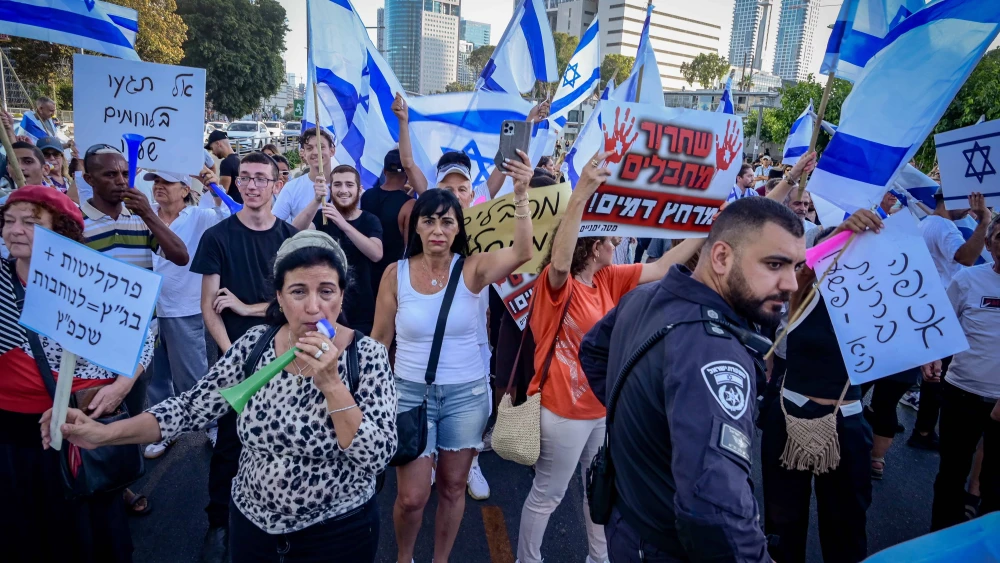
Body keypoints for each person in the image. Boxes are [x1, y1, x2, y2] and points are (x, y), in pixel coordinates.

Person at [42, 231, 399, 563]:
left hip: (336, 532)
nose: (312, 307)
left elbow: (378, 455)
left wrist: (333, 385)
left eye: (326, 291)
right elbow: (188, 409)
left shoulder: (364, 356)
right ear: (278, 296)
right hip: (252, 527)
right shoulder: (254, 345)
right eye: (298, 291)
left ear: (341, 295)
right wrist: (102, 434)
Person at [577, 196, 806, 563]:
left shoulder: (645, 296)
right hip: (660, 544)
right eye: (774, 264)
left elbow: (593, 351)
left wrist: (646, 423)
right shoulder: (713, 351)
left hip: (628, 525)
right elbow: (715, 512)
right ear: (720, 257)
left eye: (796, 266)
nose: (792, 283)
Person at [514, 150, 702, 563]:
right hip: (562, 411)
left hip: (600, 408)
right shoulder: (556, 283)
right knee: (548, 494)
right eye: (612, 241)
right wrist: (580, 192)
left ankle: (599, 560)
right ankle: (528, 559)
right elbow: (561, 258)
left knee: (600, 487)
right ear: (595, 247)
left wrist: (708, 226)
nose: (618, 245)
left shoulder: (607, 278)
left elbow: (665, 264)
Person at [372, 154, 534, 563]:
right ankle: (404, 557)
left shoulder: (474, 269)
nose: (438, 229)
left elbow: (522, 251)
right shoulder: (395, 274)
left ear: (459, 227)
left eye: (448, 221)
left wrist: (520, 193)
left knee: (452, 487)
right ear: (416, 225)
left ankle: (440, 560)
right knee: (411, 497)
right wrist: (371, 396)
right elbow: (378, 339)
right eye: (429, 220)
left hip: (466, 395)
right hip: (409, 394)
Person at [0, 186, 154, 561]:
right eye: (8, 221)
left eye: (31, 223)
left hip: (78, 422)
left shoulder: (94, 276)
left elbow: (142, 340)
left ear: (61, 231)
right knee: (27, 522)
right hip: (14, 431)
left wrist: (121, 385)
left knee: (89, 524)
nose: (15, 230)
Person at [759, 213, 889, 563]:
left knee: (846, 525)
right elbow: (803, 271)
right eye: (836, 255)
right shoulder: (801, 295)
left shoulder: (876, 307)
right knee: (782, 523)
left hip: (846, 425)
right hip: (789, 417)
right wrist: (841, 234)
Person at [190, 151, 298, 561]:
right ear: (235, 184)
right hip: (235, 361)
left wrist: (248, 307)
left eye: (260, 178)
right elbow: (209, 306)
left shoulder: (290, 238)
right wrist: (236, 355)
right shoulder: (217, 237)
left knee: (283, 439)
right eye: (245, 178)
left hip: (285, 358)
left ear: (276, 185)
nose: (252, 185)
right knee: (230, 445)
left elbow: (291, 302)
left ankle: (279, 520)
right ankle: (219, 524)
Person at [143, 169, 230, 459]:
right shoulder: (143, 216)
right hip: (148, 310)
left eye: (166, 182)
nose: (159, 187)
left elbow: (232, 216)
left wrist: (214, 187)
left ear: (184, 189)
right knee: (155, 378)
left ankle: (212, 425)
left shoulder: (199, 216)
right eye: (155, 182)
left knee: (192, 377)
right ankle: (165, 430)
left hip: (185, 309)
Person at [930, 214, 1000, 531]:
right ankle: (940, 539)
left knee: (996, 482)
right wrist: (930, 358)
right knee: (951, 472)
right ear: (988, 243)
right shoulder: (968, 280)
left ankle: (985, 543)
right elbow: (944, 326)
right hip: (961, 393)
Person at [910, 191, 992, 450]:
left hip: (926, 307)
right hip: (941, 309)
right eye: (965, 205)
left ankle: (918, 428)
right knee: (937, 375)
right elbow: (966, 257)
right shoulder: (945, 226)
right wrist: (984, 224)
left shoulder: (925, 223)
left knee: (928, 374)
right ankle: (924, 431)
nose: (968, 210)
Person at [292, 164, 383, 334]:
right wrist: (316, 201)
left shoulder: (370, 220)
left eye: (349, 185)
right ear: (330, 188)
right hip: (325, 310)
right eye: (337, 184)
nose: (343, 190)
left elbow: (376, 254)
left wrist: (344, 225)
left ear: (359, 189)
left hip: (362, 311)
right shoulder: (321, 218)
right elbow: (294, 235)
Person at [360, 149, 416, 298]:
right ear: (407, 174)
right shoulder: (409, 204)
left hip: (364, 272)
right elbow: (409, 248)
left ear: (384, 171)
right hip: (391, 275)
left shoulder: (367, 195)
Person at [273, 128, 337, 223]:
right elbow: (275, 226)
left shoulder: (346, 187)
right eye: (309, 148)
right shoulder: (291, 188)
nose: (315, 152)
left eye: (321, 147)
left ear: (332, 151)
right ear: (304, 153)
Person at [206, 130, 242, 203]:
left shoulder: (226, 163)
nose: (213, 152)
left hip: (231, 208)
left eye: (212, 148)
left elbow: (223, 193)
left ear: (218, 144)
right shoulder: (239, 160)